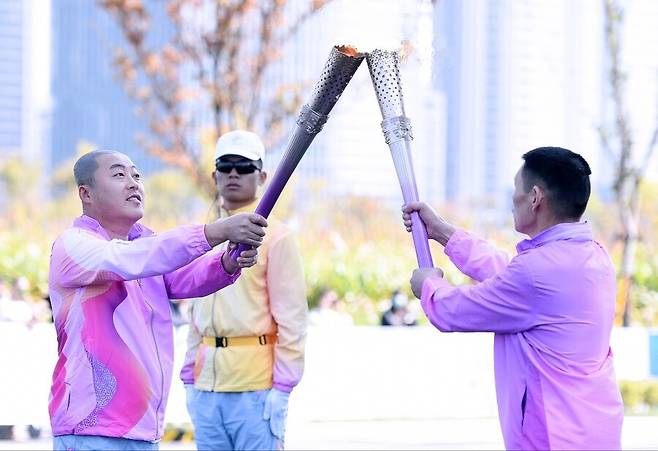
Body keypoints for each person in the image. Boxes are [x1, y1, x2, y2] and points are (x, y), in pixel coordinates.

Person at [403, 147, 623, 450]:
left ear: (534, 197)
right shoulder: (593, 257)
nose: (512, 199)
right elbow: (510, 277)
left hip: (553, 436)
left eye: (515, 190)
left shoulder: (536, 272)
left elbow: (453, 311)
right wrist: (443, 233)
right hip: (596, 431)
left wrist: (429, 284)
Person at [48, 150, 267, 451]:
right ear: (86, 193)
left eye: (136, 175)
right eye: (118, 175)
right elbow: (131, 259)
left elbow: (184, 276)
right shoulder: (74, 246)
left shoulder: (142, 247)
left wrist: (229, 262)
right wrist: (214, 232)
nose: (133, 183)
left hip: (143, 431)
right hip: (92, 431)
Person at [181, 130, 307, 450]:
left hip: (256, 389)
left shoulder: (276, 236)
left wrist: (283, 386)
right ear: (215, 175)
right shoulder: (204, 235)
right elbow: (197, 310)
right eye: (226, 165)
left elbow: (292, 319)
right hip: (206, 386)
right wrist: (188, 377)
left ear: (261, 175)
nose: (234, 173)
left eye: (244, 166)